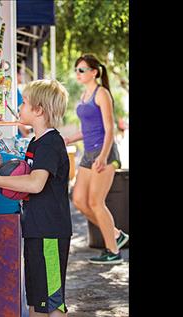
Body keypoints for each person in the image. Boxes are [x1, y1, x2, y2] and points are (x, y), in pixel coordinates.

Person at [0, 79, 72, 317]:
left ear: (38, 110)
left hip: (49, 232)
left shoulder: (50, 143)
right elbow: (24, 180)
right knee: (38, 300)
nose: (19, 107)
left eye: (24, 103)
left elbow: (35, 184)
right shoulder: (36, 142)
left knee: (52, 302)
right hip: (36, 230)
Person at [64, 54, 129, 265]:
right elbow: (88, 130)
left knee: (95, 202)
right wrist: (68, 138)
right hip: (89, 154)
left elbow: (109, 129)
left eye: (82, 70)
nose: (78, 74)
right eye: (77, 70)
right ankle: (116, 235)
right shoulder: (85, 95)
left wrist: (102, 157)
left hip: (105, 154)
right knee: (79, 201)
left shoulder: (102, 94)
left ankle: (114, 251)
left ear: (94, 72)